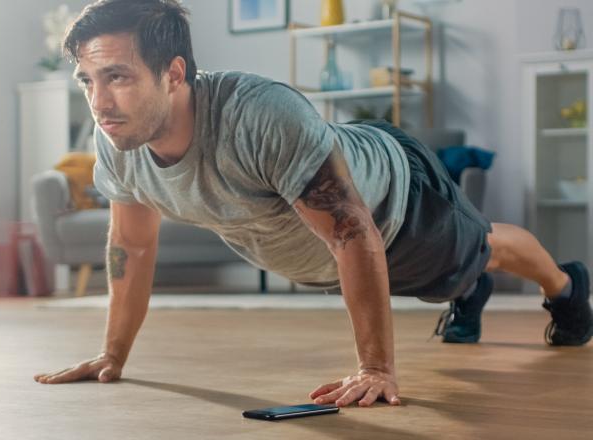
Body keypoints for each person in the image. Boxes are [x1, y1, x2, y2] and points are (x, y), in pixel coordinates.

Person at [34, 0, 593, 408]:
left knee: (481, 250)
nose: (99, 102)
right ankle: (469, 291)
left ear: (174, 73)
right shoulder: (118, 141)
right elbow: (131, 244)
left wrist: (376, 368)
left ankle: (567, 288)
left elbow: (353, 232)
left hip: (398, 205)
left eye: (117, 77)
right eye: (87, 80)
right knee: (455, 279)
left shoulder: (258, 116)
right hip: (335, 250)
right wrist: (113, 355)